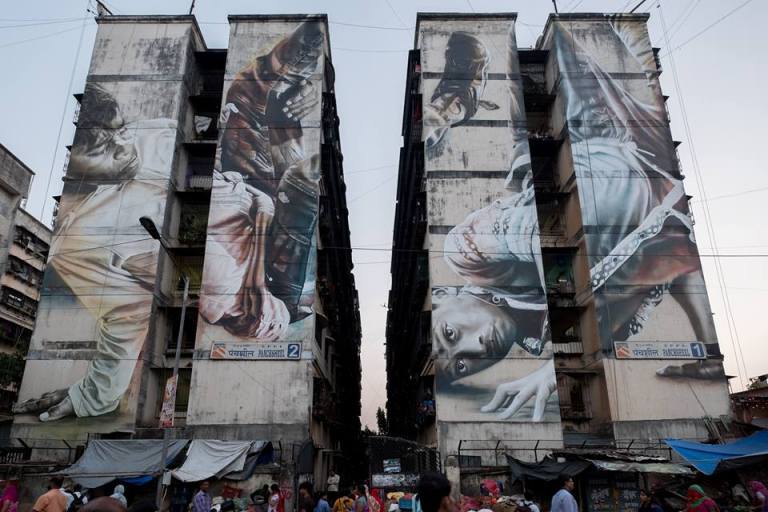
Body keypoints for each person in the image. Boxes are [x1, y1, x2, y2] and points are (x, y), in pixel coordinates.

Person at [12, 82, 177, 422]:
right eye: (103, 147)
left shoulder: (157, 135)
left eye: (120, 130)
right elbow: (127, 314)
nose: (123, 146)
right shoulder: (78, 243)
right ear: (77, 160)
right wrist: (91, 395)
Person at [198, 20, 324, 342]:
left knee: (297, 181)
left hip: (251, 197)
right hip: (272, 241)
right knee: (300, 182)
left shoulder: (226, 291)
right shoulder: (249, 304)